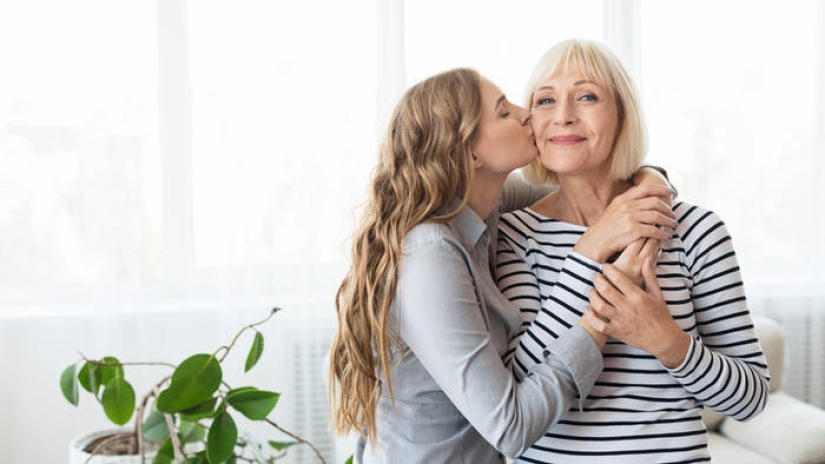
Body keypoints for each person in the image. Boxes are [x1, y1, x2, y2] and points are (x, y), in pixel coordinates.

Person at [327, 68, 676, 464]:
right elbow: (511, 428)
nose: (526, 113)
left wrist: (650, 180)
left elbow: (589, 191)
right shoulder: (429, 254)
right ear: (472, 153)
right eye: (504, 112)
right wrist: (600, 311)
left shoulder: (483, 204)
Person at [496, 38, 770, 463]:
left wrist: (667, 341)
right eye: (545, 100)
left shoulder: (696, 231)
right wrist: (590, 250)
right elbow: (517, 385)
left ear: (623, 115)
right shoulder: (513, 235)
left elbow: (751, 399)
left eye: (587, 96)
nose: (563, 115)